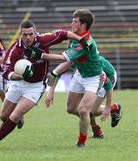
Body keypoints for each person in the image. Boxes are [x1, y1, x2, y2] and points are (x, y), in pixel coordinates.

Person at [0, 20, 86, 151]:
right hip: (18, 83)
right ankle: (18, 119)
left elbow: (63, 34)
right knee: (3, 116)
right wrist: (21, 76)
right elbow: (6, 72)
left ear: (35, 32)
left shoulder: (43, 39)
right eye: (24, 34)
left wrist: (80, 39)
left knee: (14, 115)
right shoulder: (15, 49)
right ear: (20, 34)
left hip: (36, 86)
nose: (27, 38)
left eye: (30, 34)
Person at [23, 9, 119, 147]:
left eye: (75, 21)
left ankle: (82, 142)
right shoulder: (75, 39)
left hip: (98, 76)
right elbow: (68, 62)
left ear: (83, 25)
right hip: (80, 74)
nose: (71, 23)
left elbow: (64, 58)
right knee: (71, 109)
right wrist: (51, 89)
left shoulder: (87, 43)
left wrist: (40, 55)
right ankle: (103, 121)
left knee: (85, 110)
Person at [44, 56, 122, 139]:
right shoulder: (72, 56)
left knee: (90, 111)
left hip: (106, 76)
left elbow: (107, 82)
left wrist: (107, 106)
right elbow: (58, 72)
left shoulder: (92, 60)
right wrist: (51, 91)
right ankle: (97, 132)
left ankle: (113, 108)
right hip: (87, 76)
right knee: (73, 109)